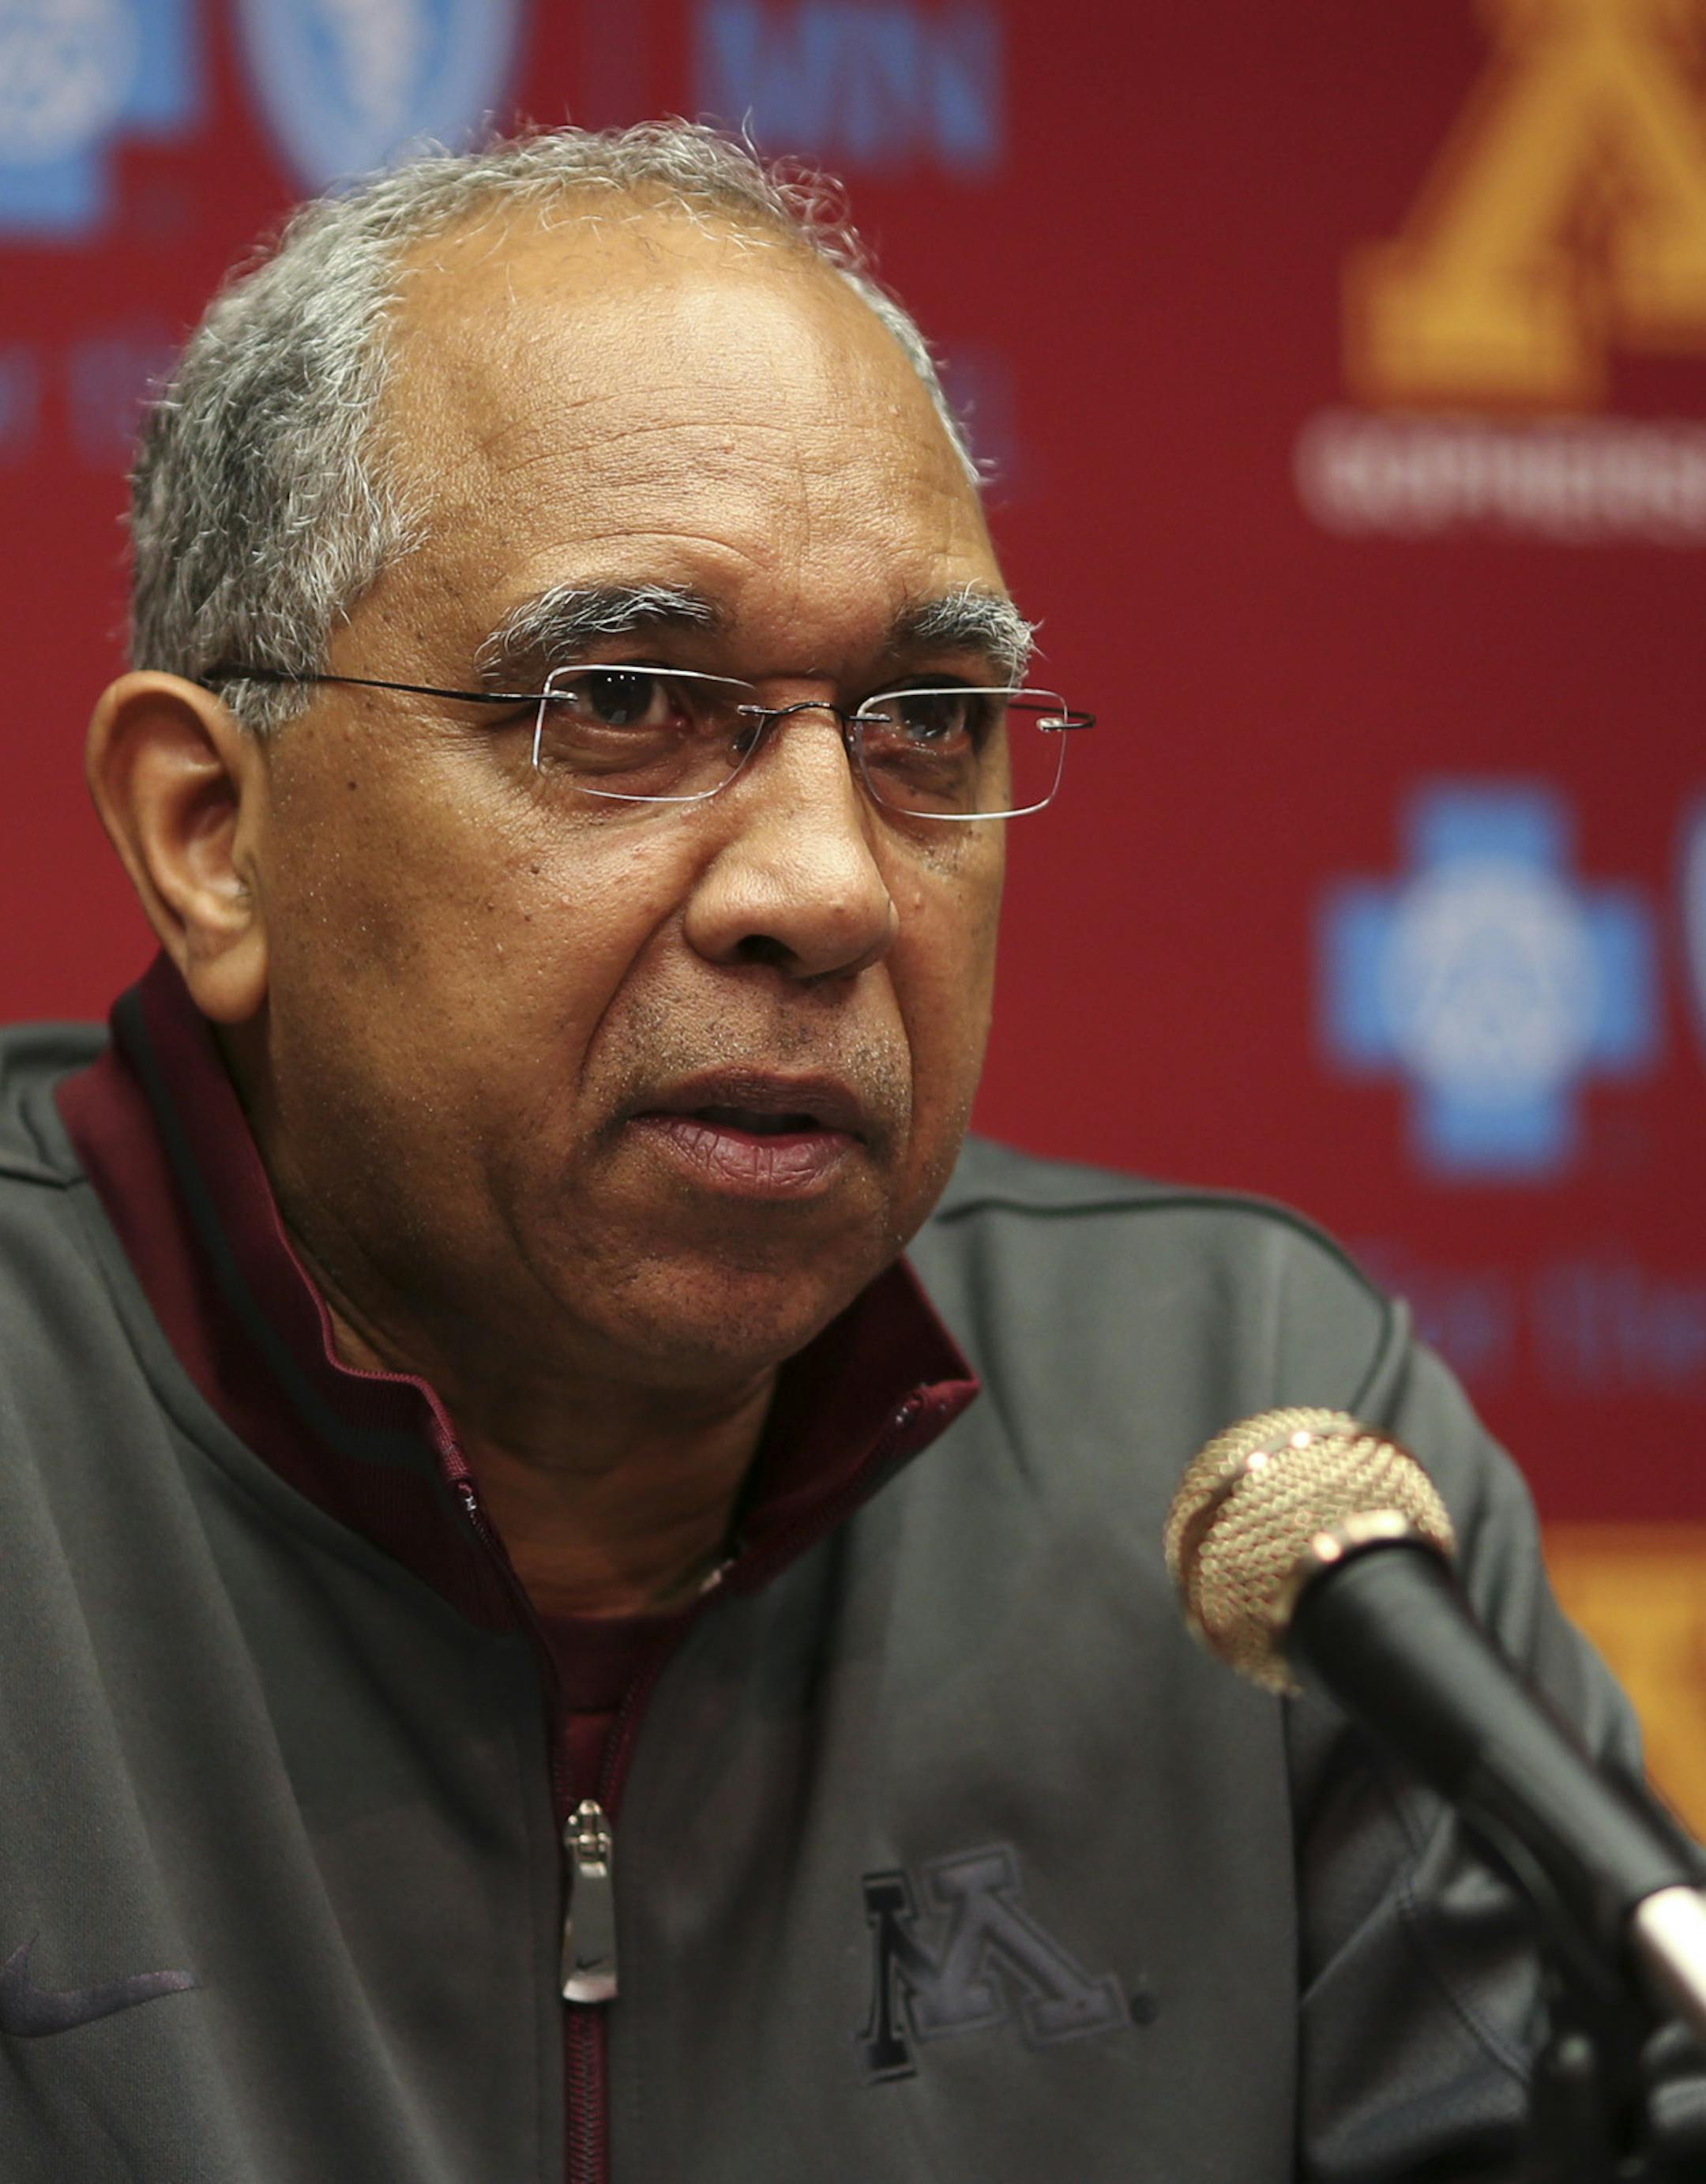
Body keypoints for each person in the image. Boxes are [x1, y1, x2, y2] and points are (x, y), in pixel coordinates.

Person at [0, 121, 1670, 2182]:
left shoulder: (1251, 1424)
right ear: (210, 834)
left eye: (928, 725)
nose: (827, 885)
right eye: (619, 700)